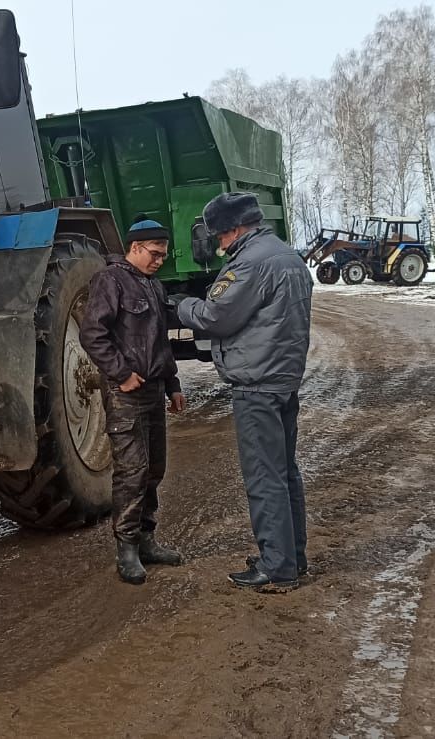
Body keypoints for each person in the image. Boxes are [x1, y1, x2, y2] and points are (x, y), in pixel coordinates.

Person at [170, 192, 313, 593]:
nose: (218, 245)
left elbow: (216, 316)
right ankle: (291, 557)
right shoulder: (287, 256)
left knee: (264, 478)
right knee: (285, 474)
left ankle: (277, 567)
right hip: (284, 379)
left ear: (233, 229)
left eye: (219, 236)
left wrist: (183, 305)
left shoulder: (250, 263)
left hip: (256, 384)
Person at [79, 218, 188, 585]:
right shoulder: (110, 280)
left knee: (154, 468)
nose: (160, 261)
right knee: (131, 471)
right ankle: (126, 546)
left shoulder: (153, 287)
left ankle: (146, 540)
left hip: (155, 390)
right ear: (135, 247)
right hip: (125, 393)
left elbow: (161, 344)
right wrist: (121, 373)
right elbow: (93, 333)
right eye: (155, 254)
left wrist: (172, 384)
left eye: (163, 255)